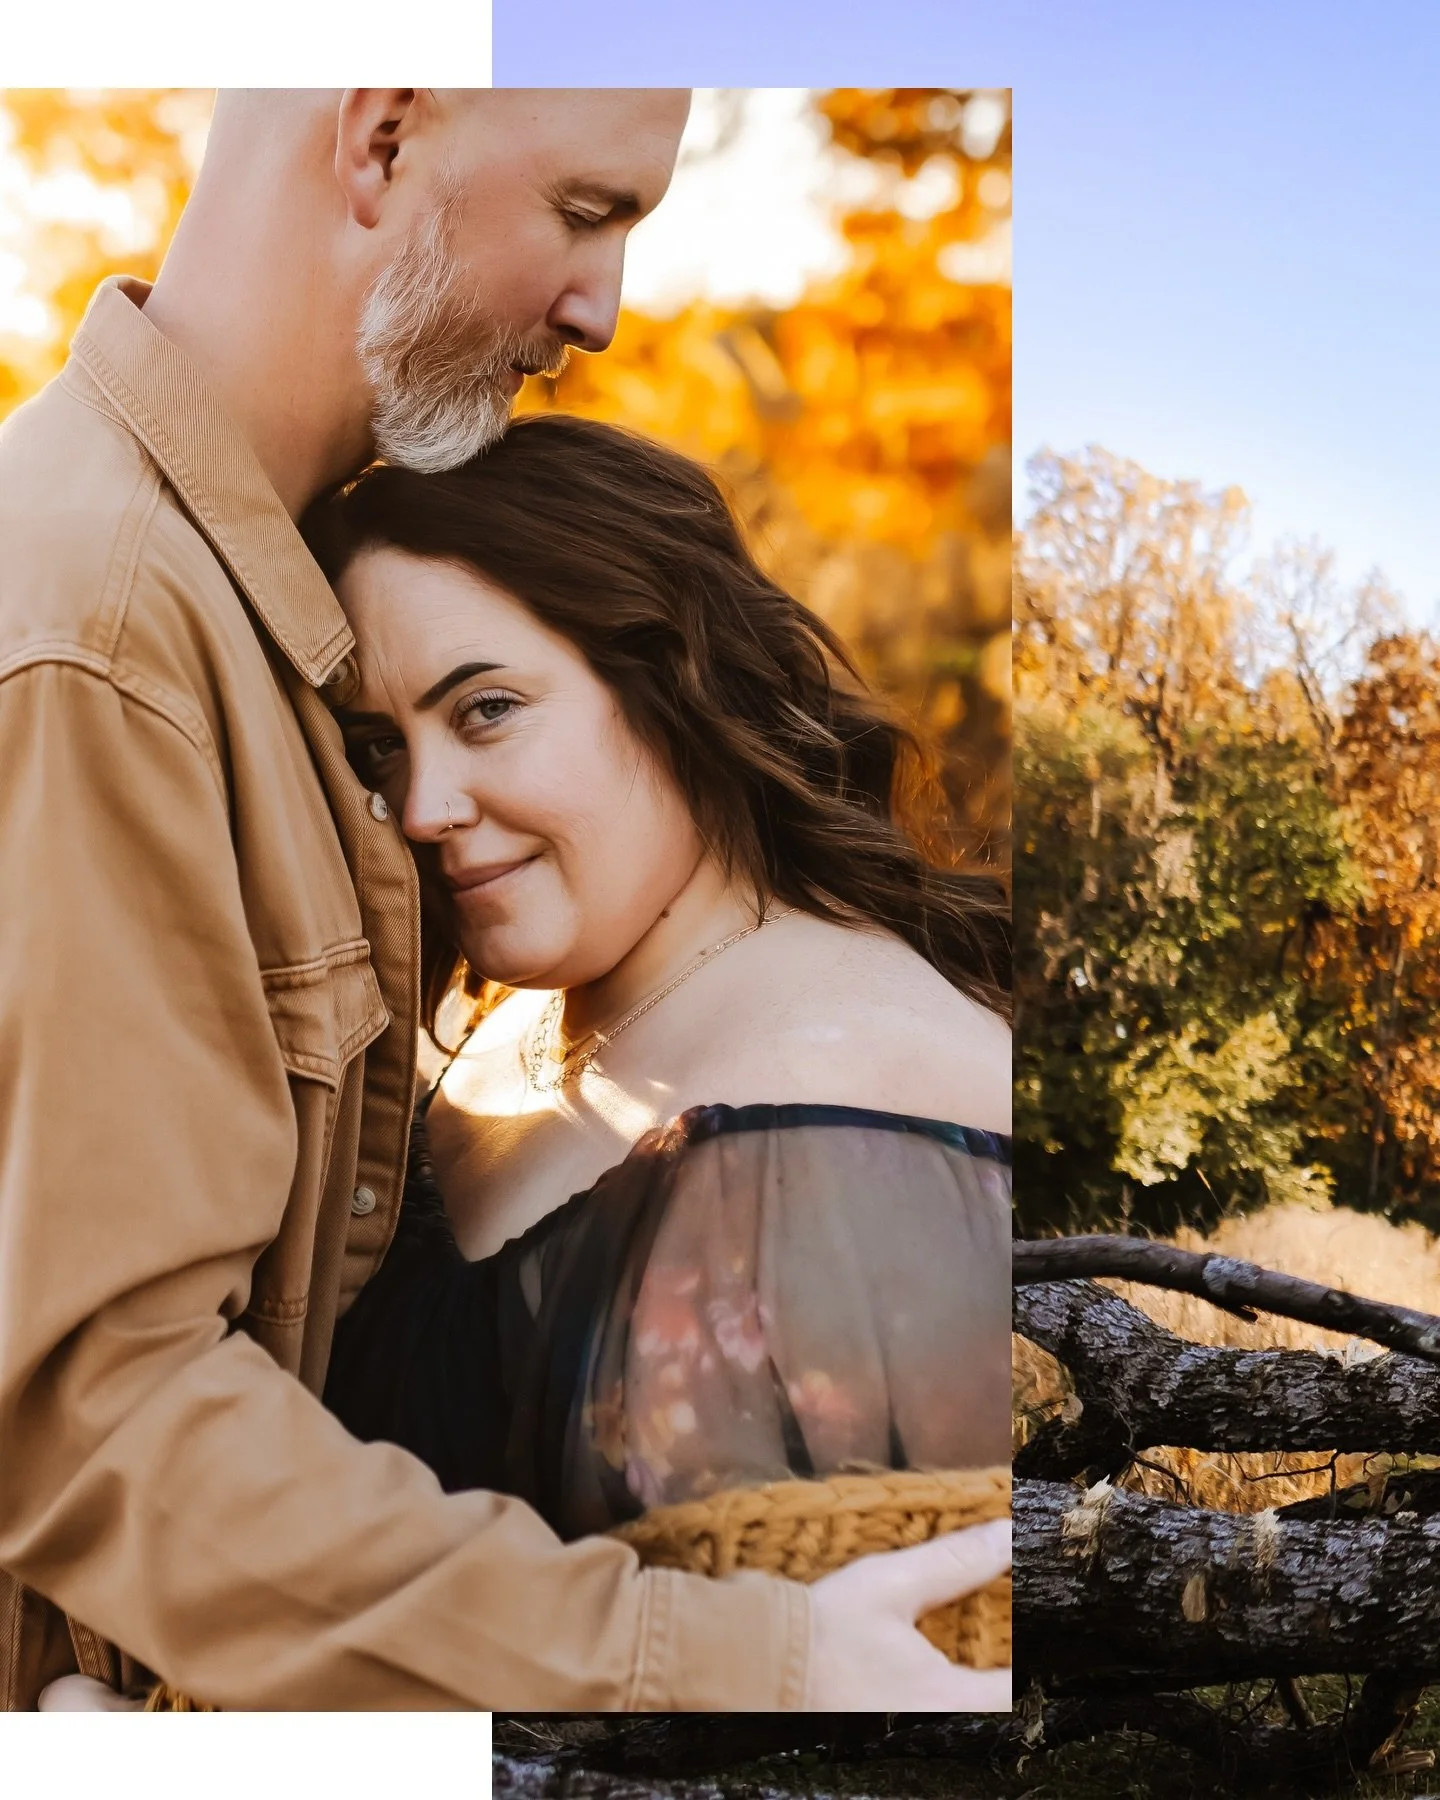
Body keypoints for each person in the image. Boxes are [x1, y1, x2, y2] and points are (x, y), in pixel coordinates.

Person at [0, 87, 1010, 1712]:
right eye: (590, 209)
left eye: (485, 715)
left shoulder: (243, 614)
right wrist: (723, 1659)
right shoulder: (109, 637)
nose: (603, 308)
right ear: (382, 139)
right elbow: (103, 1413)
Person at [308, 414, 1012, 1554]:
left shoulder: (865, 1093)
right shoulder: (503, 1023)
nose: (426, 805)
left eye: (486, 709)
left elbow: (836, 1697)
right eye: (381, 745)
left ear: (673, 684)